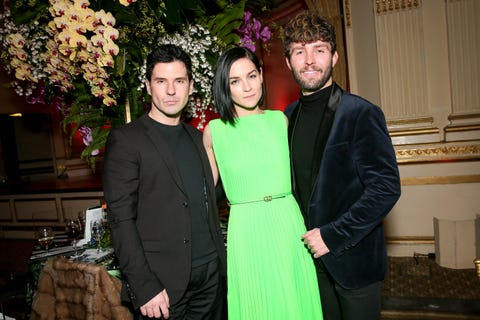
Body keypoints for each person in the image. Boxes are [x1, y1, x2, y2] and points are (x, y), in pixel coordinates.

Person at [282, 11, 401, 320]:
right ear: (288, 62)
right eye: (299, 51)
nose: (309, 60)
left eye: (319, 50)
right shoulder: (286, 118)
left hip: (354, 262)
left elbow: (385, 188)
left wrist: (332, 236)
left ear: (334, 57)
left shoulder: (360, 113)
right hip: (309, 266)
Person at [102, 44, 227, 319]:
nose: (171, 91)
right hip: (162, 286)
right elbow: (120, 220)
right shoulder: (127, 140)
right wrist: (144, 286)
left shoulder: (199, 139)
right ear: (147, 86)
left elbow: (205, 200)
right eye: (161, 81)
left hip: (211, 279)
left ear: (191, 86)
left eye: (179, 81)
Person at [203, 46, 323, 319]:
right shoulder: (215, 132)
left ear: (260, 76)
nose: (246, 87)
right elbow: (203, 195)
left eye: (251, 76)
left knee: (293, 302)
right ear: (225, 87)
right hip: (246, 231)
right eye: (235, 81)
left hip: (287, 224)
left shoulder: (280, 120)